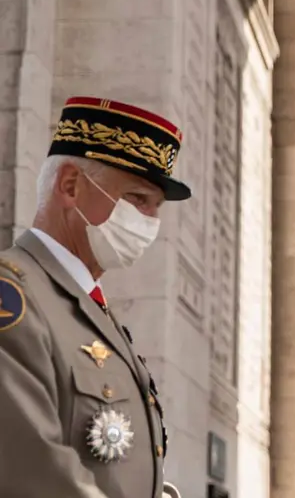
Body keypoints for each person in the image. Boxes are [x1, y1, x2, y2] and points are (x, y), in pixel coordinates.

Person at [0, 96, 190, 498]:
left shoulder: (92, 313)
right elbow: (33, 471)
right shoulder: (12, 296)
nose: (149, 224)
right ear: (70, 186)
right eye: (137, 199)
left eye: (155, 208)